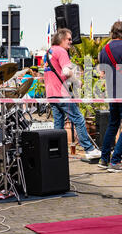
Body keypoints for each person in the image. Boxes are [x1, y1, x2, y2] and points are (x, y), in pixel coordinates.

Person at [43, 28, 101, 159]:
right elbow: (66, 71)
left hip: (51, 94)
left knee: (58, 125)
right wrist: (76, 81)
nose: (71, 42)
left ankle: (56, 152)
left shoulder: (49, 52)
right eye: (69, 39)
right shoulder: (62, 51)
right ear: (61, 39)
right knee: (79, 119)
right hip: (61, 94)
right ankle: (89, 149)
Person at [97, 21, 122, 172]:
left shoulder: (104, 49)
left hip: (112, 92)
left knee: (113, 124)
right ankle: (116, 160)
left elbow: (102, 72)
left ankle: (104, 158)